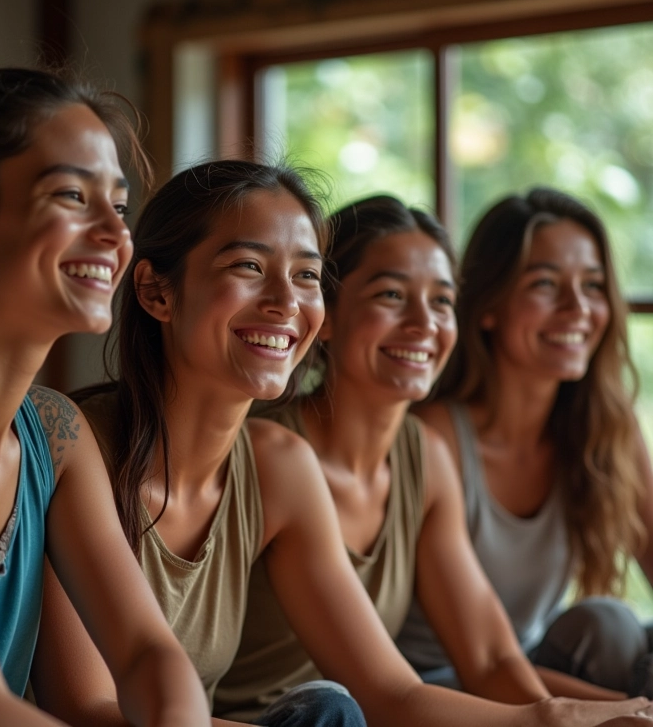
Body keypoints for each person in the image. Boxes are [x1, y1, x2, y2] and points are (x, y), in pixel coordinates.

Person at [32, 163, 653, 727]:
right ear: (156, 291)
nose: (284, 302)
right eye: (248, 266)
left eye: (305, 276)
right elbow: (87, 708)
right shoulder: (73, 441)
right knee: (328, 709)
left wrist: (560, 718)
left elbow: (395, 692)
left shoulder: (279, 465)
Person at [0, 37, 210, 727]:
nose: (115, 235)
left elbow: (151, 657)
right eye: (71, 195)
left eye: (118, 206)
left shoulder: (55, 433)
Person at [213, 194, 626, 723]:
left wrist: (586, 716)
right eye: (391, 295)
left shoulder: (423, 455)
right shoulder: (267, 451)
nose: (423, 323)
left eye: (441, 301)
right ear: (327, 314)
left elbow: (489, 657)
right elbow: (391, 696)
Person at [397, 187, 653, 699]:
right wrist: (632, 711)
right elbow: (483, 662)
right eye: (544, 284)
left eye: (594, 285)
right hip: (432, 683)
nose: (578, 307)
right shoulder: (434, 437)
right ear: (487, 307)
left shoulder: (604, 429)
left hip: (521, 661)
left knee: (608, 624)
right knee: (610, 638)